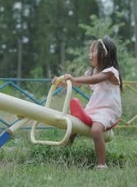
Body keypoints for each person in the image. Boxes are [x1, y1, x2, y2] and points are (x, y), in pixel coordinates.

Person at [52, 38, 122, 169]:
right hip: (94, 108)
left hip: (108, 110)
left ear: (104, 54)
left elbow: (95, 80)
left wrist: (73, 78)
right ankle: (66, 154)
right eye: (89, 51)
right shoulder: (92, 72)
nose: (90, 55)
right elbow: (77, 82)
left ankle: (101, 164)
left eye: (93, 51)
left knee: (96, 130)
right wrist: (60, 82)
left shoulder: (111, 72)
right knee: (72, 126)